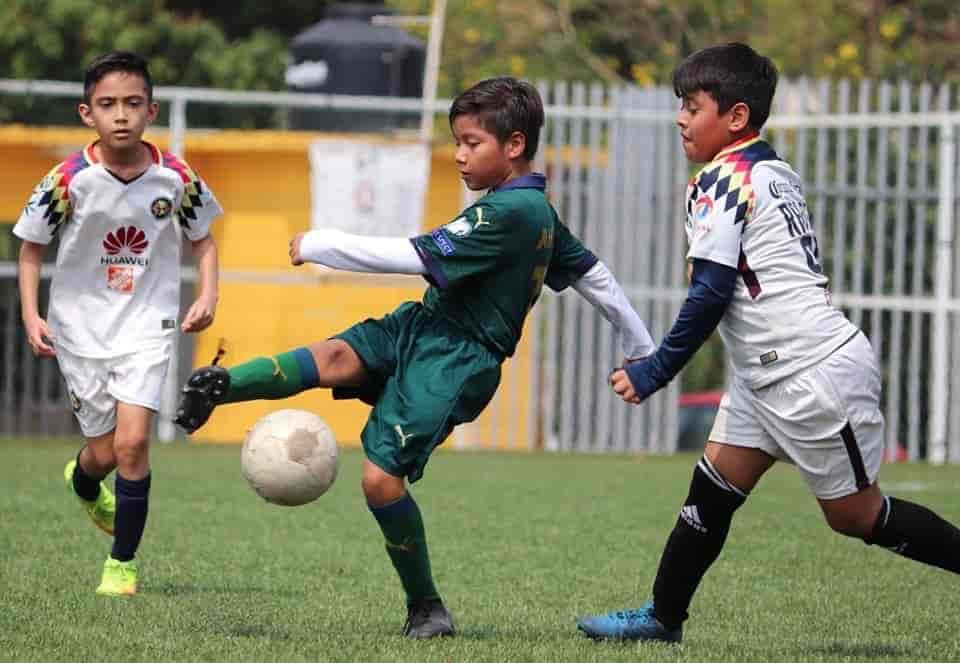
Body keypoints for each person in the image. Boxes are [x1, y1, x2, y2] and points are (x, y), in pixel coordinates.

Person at [174, 76, 656, 638]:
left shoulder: (514, 213)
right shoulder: (529, 209)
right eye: (458, 141)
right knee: (332, 356)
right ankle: (219, 386)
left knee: (380, 482)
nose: (458, 155)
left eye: (472, 142)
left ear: (515, 145)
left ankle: (427, 607)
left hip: (458, 359)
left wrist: (322, 243)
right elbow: (592, 274)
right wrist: (640, 347)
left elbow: (413, 255)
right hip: (423, 323)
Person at [576, 42, 960, 644]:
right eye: (680, 104)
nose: (680, 117)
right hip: (767, 375)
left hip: (811, 374)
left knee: (855, 517)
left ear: (735, 117)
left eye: (692, 106)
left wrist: (655, 370)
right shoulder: (770, 168)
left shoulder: (722, 179)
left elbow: (709, 294)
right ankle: (662, 617)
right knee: (713, 486)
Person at [14, 51, 222, 597]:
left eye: (132, 103)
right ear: (88, 114)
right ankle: (84, 481)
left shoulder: (175, 177)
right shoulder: (67, 180)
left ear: (151, 110)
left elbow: (202, 240)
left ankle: (122, 565)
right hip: (79, 330)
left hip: (147, 326)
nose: (121, 115)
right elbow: (31, 247)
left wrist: (208, 293)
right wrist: (32, 313)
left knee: (133, 446)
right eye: (108, 105)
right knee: (103, 454)